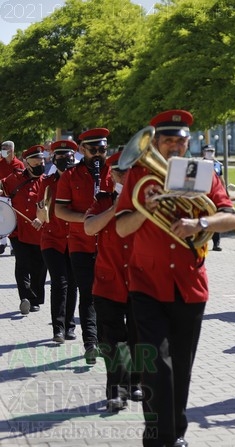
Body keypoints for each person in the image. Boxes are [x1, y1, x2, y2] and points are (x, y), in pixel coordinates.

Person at [116, 109, 235, 447]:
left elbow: (231, 220)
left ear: (188, 143)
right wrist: (148, 212)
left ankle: (176, 435)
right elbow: (121, 226)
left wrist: (199, 225)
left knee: (180, 369)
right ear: (155, 143)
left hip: (189, 286)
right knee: (157, 368)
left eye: (179, 140)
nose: (173, 146)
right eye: (166, 140)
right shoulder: (140, 176)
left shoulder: (204, 175)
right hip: (146, 285)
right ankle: (159, 439)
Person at [84, 151, 142, 412]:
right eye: (121, 172)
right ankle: (116, 391)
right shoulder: (102, 200)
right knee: (113, 340)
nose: (126, 176)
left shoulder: (146, 202)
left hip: (140, 281)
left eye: (131, 170)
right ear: (113, 175)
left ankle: (135, 382)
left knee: (137, 338)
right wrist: (113, 208)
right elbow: (89, 228)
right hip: (108, 282)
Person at [55, 128, 114, 364]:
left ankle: (103, 339)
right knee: (88, 294)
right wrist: (88, 219)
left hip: (109, 245)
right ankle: (90, 343)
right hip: (80, 243)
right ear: (82, 150)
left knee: (106, 295)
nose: (98, 154)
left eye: (102, 149)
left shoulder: (114, 173)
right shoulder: (70, 176)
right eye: (93, 150)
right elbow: (60, 210)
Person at [37, 140, 78, 342]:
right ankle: (58, 329)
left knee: (72, 284)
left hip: (76, 241)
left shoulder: (80, 181)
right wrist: (40, 215)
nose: (63, 160)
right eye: (59, 157)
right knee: (59, 282)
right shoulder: (46, 182)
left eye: (67, 156)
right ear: (54, 159)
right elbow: (41, 210)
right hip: (52, 239)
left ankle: (70, 326)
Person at [0, 145, 47, 314]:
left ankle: (36, 297)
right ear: (27, 163)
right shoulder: (14, 178)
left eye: (42, 159)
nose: (41, 162)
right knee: (22, 265)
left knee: (40, 267)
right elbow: (2, 187)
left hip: (39, 233)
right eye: (37, 159)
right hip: (18, 232)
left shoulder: (47, 181)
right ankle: (26, 298)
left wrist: (41, 219)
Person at [0, 140, 24, 254]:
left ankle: (14, 247)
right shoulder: (0, 164)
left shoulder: (19, 164)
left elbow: (22, 180)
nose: (2, 151)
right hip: (2, 196)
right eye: (2, 149)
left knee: (14, 220)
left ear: (11, 150)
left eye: (5, 149)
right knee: (2, 220)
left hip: (15, 196)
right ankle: (2, 243)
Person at [202, 144, 223, 251]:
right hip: (203, 195)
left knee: (216, 219)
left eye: (212, 150)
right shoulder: (199, 164)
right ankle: (201, 241)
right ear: (203, 152)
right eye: (208, 151)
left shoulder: (218, 164)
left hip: (215, 194)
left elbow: (221, 179)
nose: (210, 153)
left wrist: (225, 192)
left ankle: (216, 243)